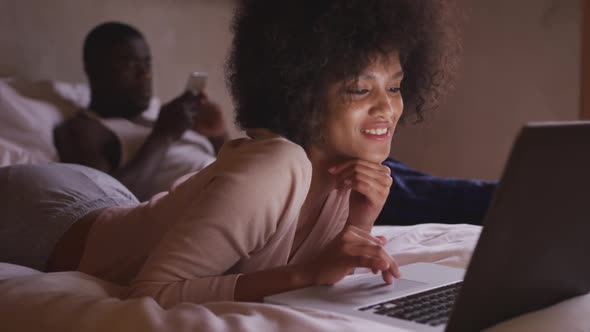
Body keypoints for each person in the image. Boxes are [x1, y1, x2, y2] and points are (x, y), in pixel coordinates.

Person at [1, 0, 459, 308]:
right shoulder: (276, 163)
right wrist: (307, 273)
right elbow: (155, 293)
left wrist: (359, 221)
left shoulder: (351, 171)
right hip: (47, 214)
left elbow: (329, 268)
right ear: (297, 88)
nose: (387, 107)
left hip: (116, 200)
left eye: (395, 86)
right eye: (361, 87)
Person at [53, 22, 228, 200]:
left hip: (237, 190)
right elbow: (102, 203)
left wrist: (218, 137)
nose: (145, 74)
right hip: (214, 204)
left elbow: (219, 163)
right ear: (92, 68)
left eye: (147, 63)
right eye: (130, 63)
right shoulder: (84, 129)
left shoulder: (163, 118)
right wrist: (164, 135)